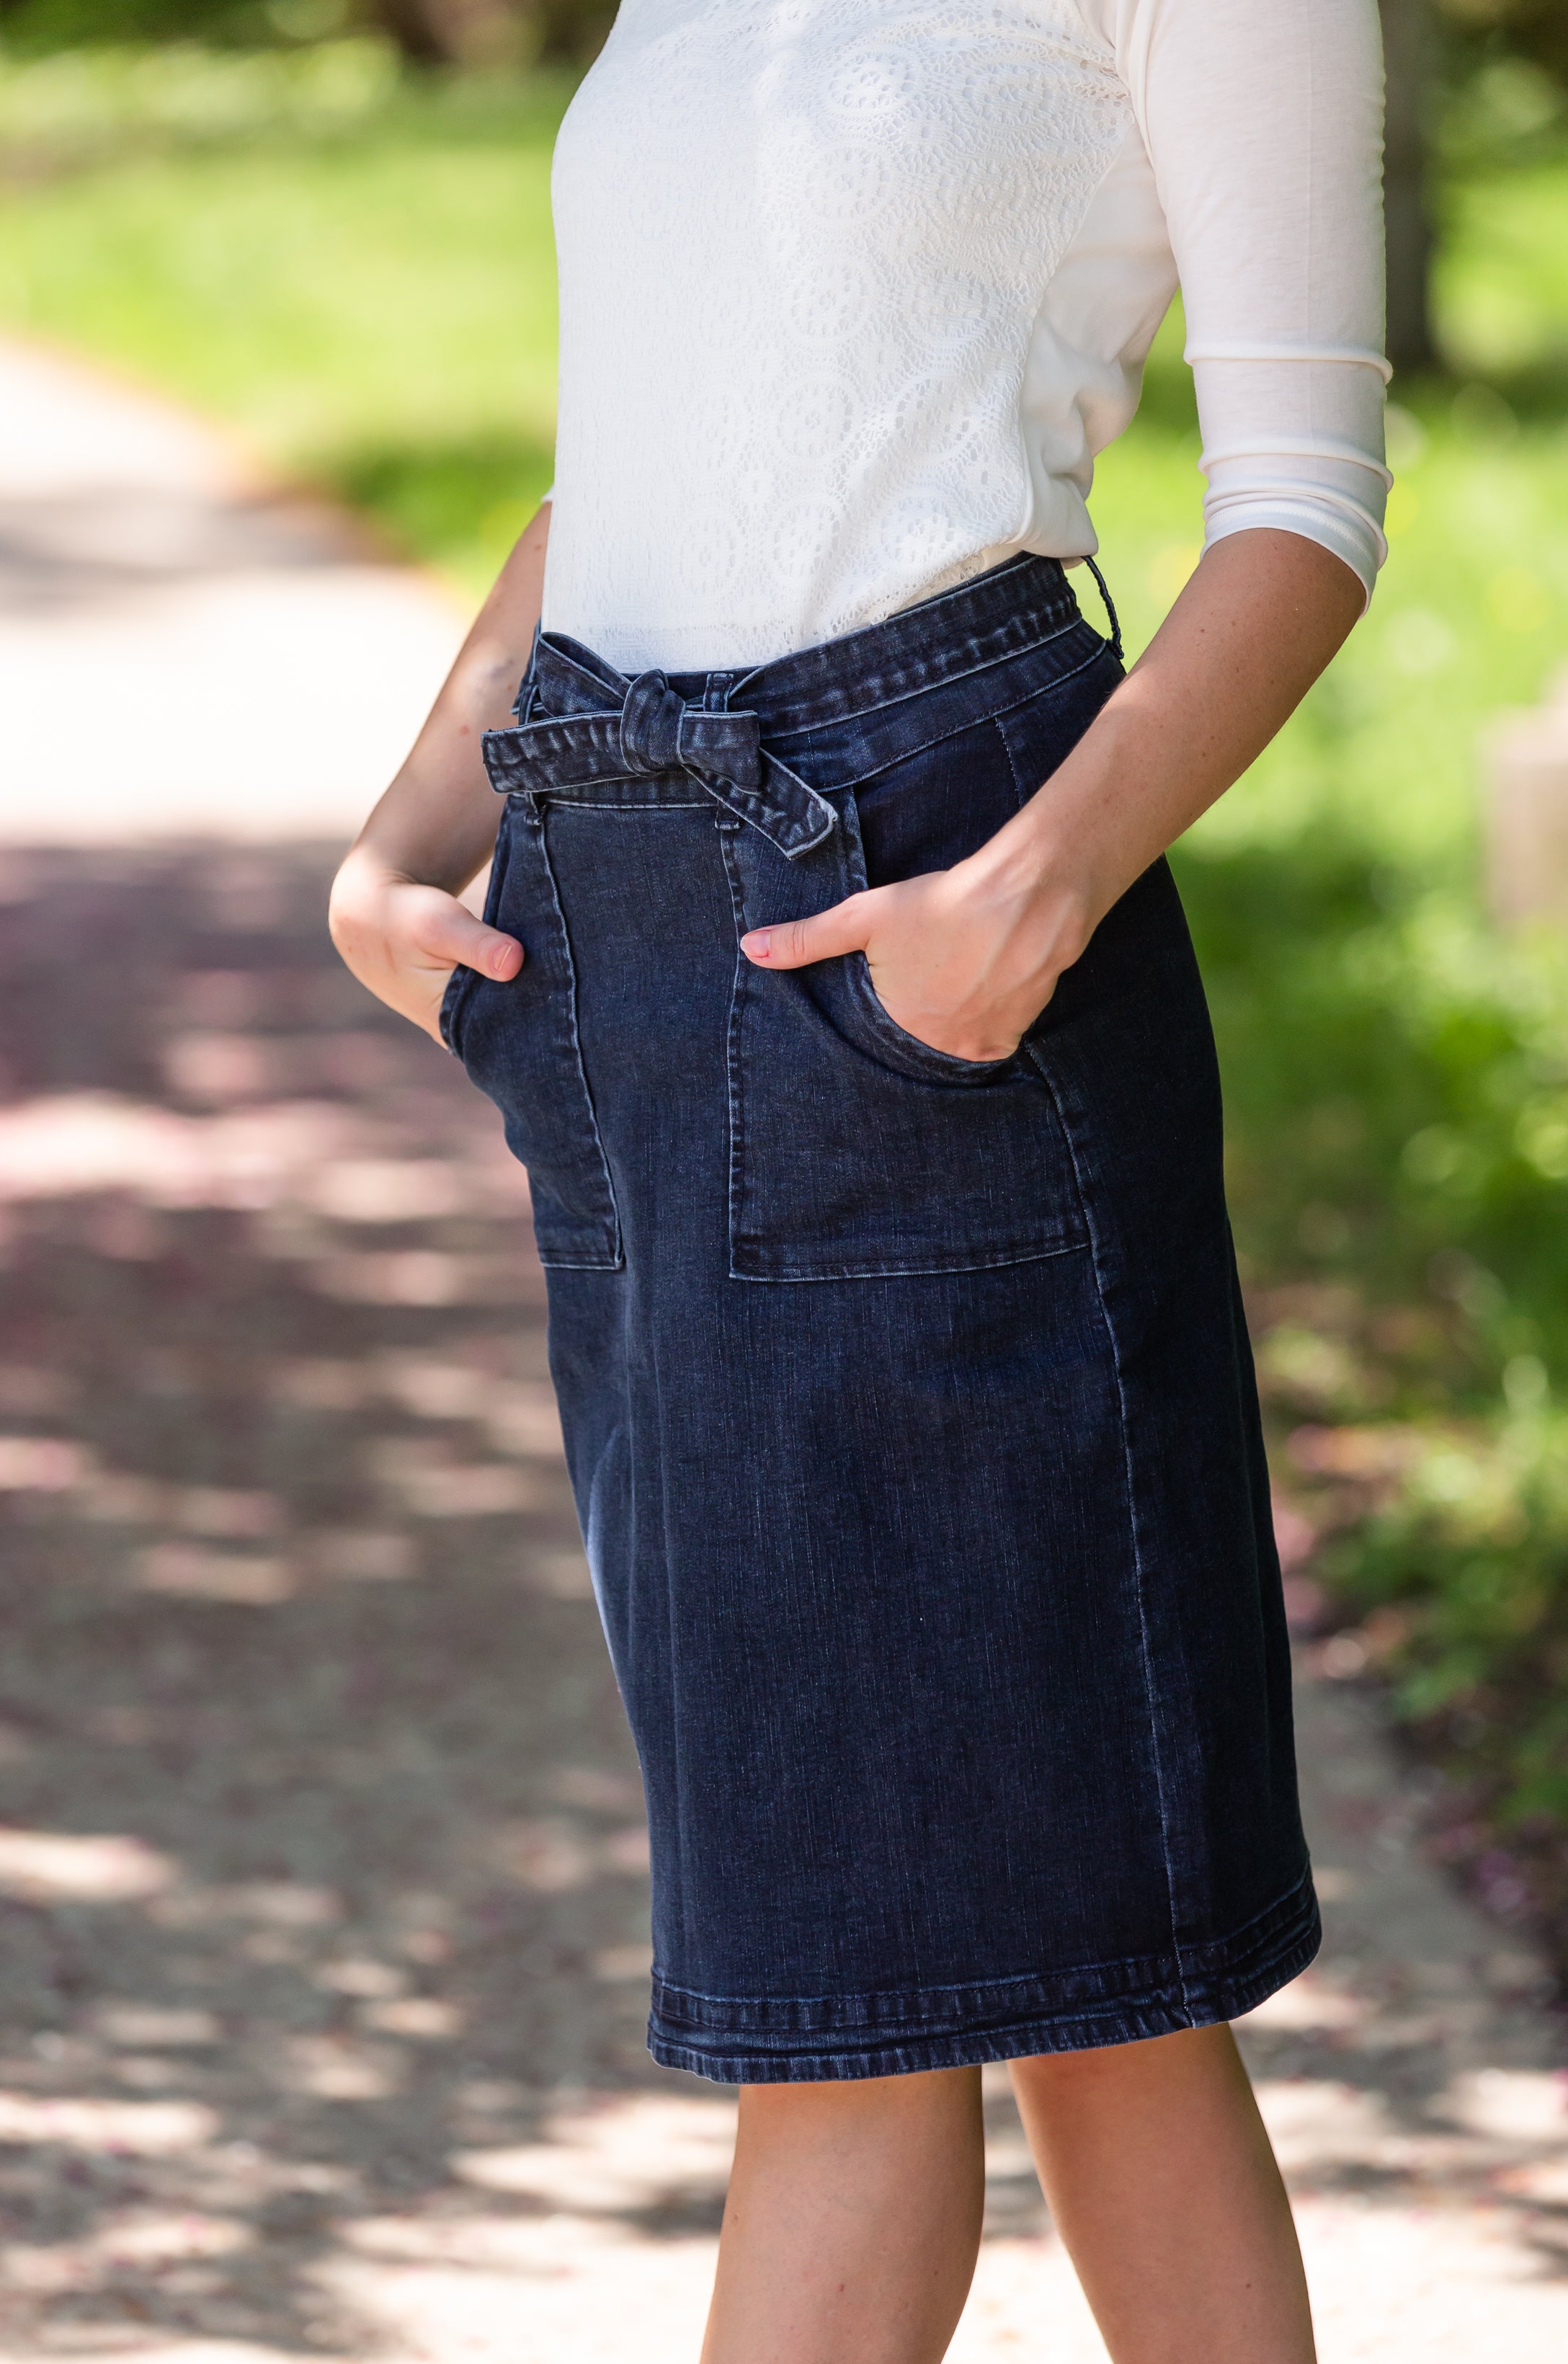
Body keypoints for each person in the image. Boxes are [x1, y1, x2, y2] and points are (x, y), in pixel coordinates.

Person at [331, 1, 1388, 2354]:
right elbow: (615, 468)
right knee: (852, 1985)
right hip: (621, 944)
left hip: (934, 908)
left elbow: (1306, 493)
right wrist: (410, 825)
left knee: (1088, 1992)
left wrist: (1025, 906)